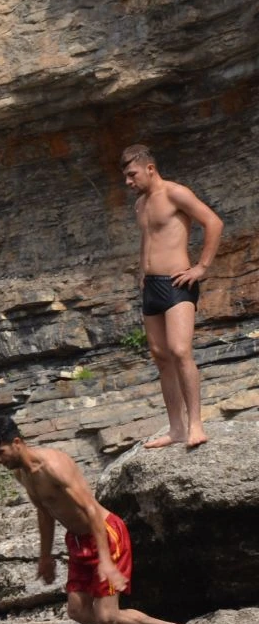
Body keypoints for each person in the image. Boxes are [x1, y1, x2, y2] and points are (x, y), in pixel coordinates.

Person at [0, 416, 182, 624]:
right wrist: (45, 557)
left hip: (105, 534)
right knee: (77, 611)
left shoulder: (54, 466)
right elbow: (44, 512)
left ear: (17, 442)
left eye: (0, 452)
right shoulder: (21, 474)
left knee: (107, 615)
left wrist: (106, 562)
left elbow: (90, 510)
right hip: (77, 540)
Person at [120, 144, 223, 449]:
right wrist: (142, 272)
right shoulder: (140, 204)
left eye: (132, 174)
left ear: (149, 168)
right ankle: (176, 428)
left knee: (180, 351)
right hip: (152, 287)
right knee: (161, 357)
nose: (128, 181)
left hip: (178, 282)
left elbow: (213, 222)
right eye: (125, 176)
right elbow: (148, 239)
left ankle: (195, 425)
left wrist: (201, 267)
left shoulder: (175, 193)